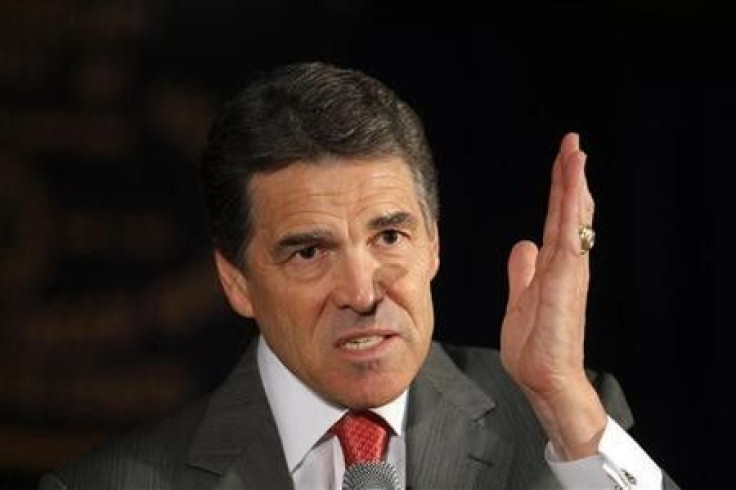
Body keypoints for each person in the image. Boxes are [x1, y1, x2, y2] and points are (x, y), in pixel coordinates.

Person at [39, 61, 678, 489]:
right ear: (236, 281)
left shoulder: (568, 422)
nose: (363, 292)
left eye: (390, 236)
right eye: (309, 253)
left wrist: (564, 407)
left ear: (433, 244)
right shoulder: (114, 482)